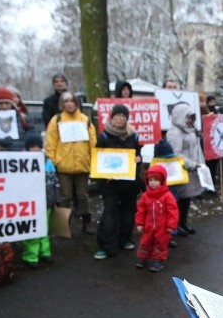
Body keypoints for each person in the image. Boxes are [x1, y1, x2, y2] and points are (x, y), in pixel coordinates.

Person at [44, 92, 97, 235]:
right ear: (62, 104)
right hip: (63, 166)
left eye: (71, 101)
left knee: (83, 196)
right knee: (64, 196)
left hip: (83, 165)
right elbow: (51, 143)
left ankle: (87, 224)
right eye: (65, 101)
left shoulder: (85, 120)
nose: (69, 104)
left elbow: (93, 143)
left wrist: (94, 162)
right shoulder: (56, 120)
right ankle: (62, 227)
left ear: (76, 102)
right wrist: (53, 162)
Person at [94, 104, 142, 259]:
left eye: (123, 116)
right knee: (110, 214)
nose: (121, 118)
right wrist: (103, 174)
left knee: (129, 213)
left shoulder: (133, 136)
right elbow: (97, 159)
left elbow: (139, 155)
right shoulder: (104, 136)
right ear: (112, 117)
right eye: (118, 115)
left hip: (129, 183)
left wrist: (138, 159)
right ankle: (106, 246)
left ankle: (125, 239)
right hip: (111, 184)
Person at [166, 102, 205, 235]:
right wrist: (191, 164)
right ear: (180, 116)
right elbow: (175, 154)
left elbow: (195, 149)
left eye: (191, 117)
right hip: (181, 170)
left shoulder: (190, 130)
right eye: (187, 117)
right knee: (179, 200)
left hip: (190, 170)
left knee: (186, 199)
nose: (190, 120)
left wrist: (199, 163)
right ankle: (176, 226)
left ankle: (183, 223)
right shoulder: (174, 133)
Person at [134, 164, 179, 272]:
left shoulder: (167, 196)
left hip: (162, 227)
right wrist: (139, 223)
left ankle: (157, 260)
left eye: (156, 180)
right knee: (145, 242)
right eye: (150, 180)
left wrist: (171, 226)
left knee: (160, 243)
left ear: (162, 181)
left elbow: (173, 212)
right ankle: (142, 258)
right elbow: (141, 210)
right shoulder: (146, 195)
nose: (152, 183)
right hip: (148, 226)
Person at [20, 134, 56, 269]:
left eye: (37, 147)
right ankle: (30, 256)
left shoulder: (47, 162)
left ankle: (45, 252)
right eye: (32, 147)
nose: (35, 150)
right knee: (31, 229)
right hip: (29, 204)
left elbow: (54, 182)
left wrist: (54, 198)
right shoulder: (20, 161)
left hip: (45, 202)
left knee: (45, 228)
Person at [0, 86, 29, 150]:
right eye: (1, 104)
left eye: (7, 103)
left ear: (12, 103)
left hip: (20, 153)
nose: (4, 106)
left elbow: (31, 133)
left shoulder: (22, 117)